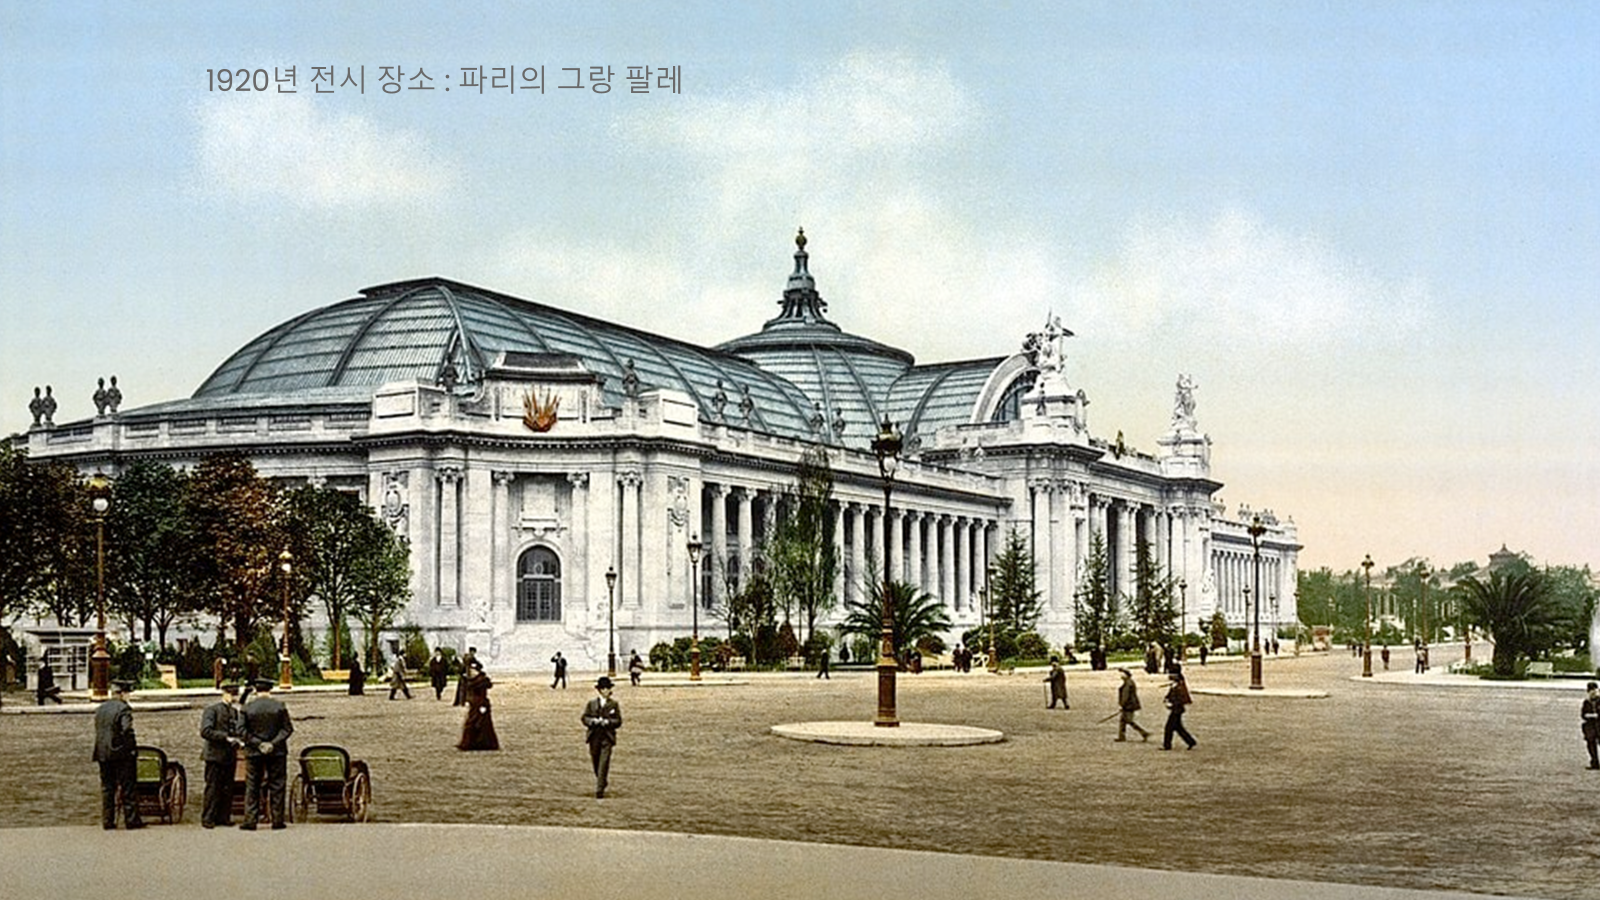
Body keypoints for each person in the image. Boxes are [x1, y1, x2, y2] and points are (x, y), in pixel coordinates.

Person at [240, 676, 293, 829]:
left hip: (253, 751)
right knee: (277, 784)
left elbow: (241, 730)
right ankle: (277, 820)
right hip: (277, 751)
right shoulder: (279, 706)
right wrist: (272, 743)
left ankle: (250, 820)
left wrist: (258, 743)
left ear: (255, 690)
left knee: (252, 785)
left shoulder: (247, 707)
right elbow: (287, 729)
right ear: (270, 689)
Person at [92, 679, 145, 830]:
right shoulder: (124, 708)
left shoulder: (101, 708)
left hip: (102, 752)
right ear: (122, 693)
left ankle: (108, 820)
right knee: (128, 787)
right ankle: (132, 820)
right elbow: (126, 729)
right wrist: (131, 748)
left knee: (107, 788)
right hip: (121, 753)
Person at [199, 682, 244, 828]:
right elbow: (205, 731)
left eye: (235, 695)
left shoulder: (234, 712)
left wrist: (239, 739)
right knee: (213, 787)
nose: (233, 698)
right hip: (214, 755)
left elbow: (236, 730)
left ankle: (224, 817)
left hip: (229, 755)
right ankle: (208, 818)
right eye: (231, 694)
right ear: (224, 694)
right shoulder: (212, 710)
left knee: (227, 787)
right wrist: (225, 737)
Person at [582, 676, 622, 798]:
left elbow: (618, 721)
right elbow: (584, 717)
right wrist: (592, 721)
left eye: (608, 688)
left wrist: (608, 722)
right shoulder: (591, 704)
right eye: (603, 688)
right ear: (599, 690)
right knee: (596, 761)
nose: (606, 691)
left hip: (607, 737)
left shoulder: (614, 704)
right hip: (594, 736)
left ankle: (599, 789)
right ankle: (602, 780)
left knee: (604, 762)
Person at [457, 661, 500, 751]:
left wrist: (483, 706)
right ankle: (469, 742)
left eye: (473, 670)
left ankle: (482, 743)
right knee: (471, 723)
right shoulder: (471, 680)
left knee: (481, 724)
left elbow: (483, 694)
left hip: (481, 704)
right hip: (474, 705)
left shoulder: (481, 680)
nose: (472, 672)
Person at [1162, 665, 1197, 751]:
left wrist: (1171, 704)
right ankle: (1190, 741)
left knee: (1169, 727)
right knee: (1178, 727)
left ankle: (1167, 745)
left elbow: (1180, 699)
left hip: (1177, 709)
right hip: (1176, 709)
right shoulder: (1176, 684)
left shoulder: (1179, 685)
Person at [1115, 668, 1151, 742]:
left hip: (1129, 705)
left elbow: (1126, 695)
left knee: (1129, 720)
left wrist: (1122, 705)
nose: (1121, 675)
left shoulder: (1128, 683)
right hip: (1129, 704)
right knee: (1123, 721)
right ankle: (1121, 736)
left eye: (1122, 673)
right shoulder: (1128, 682)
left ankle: (1144, 733)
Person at [1582, 681, 1600, 770]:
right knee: (1591, 743)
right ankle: (1594, 762)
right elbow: (1583, 714)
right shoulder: (1587, 702)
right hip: (1590, 725)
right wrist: (1590, 716)